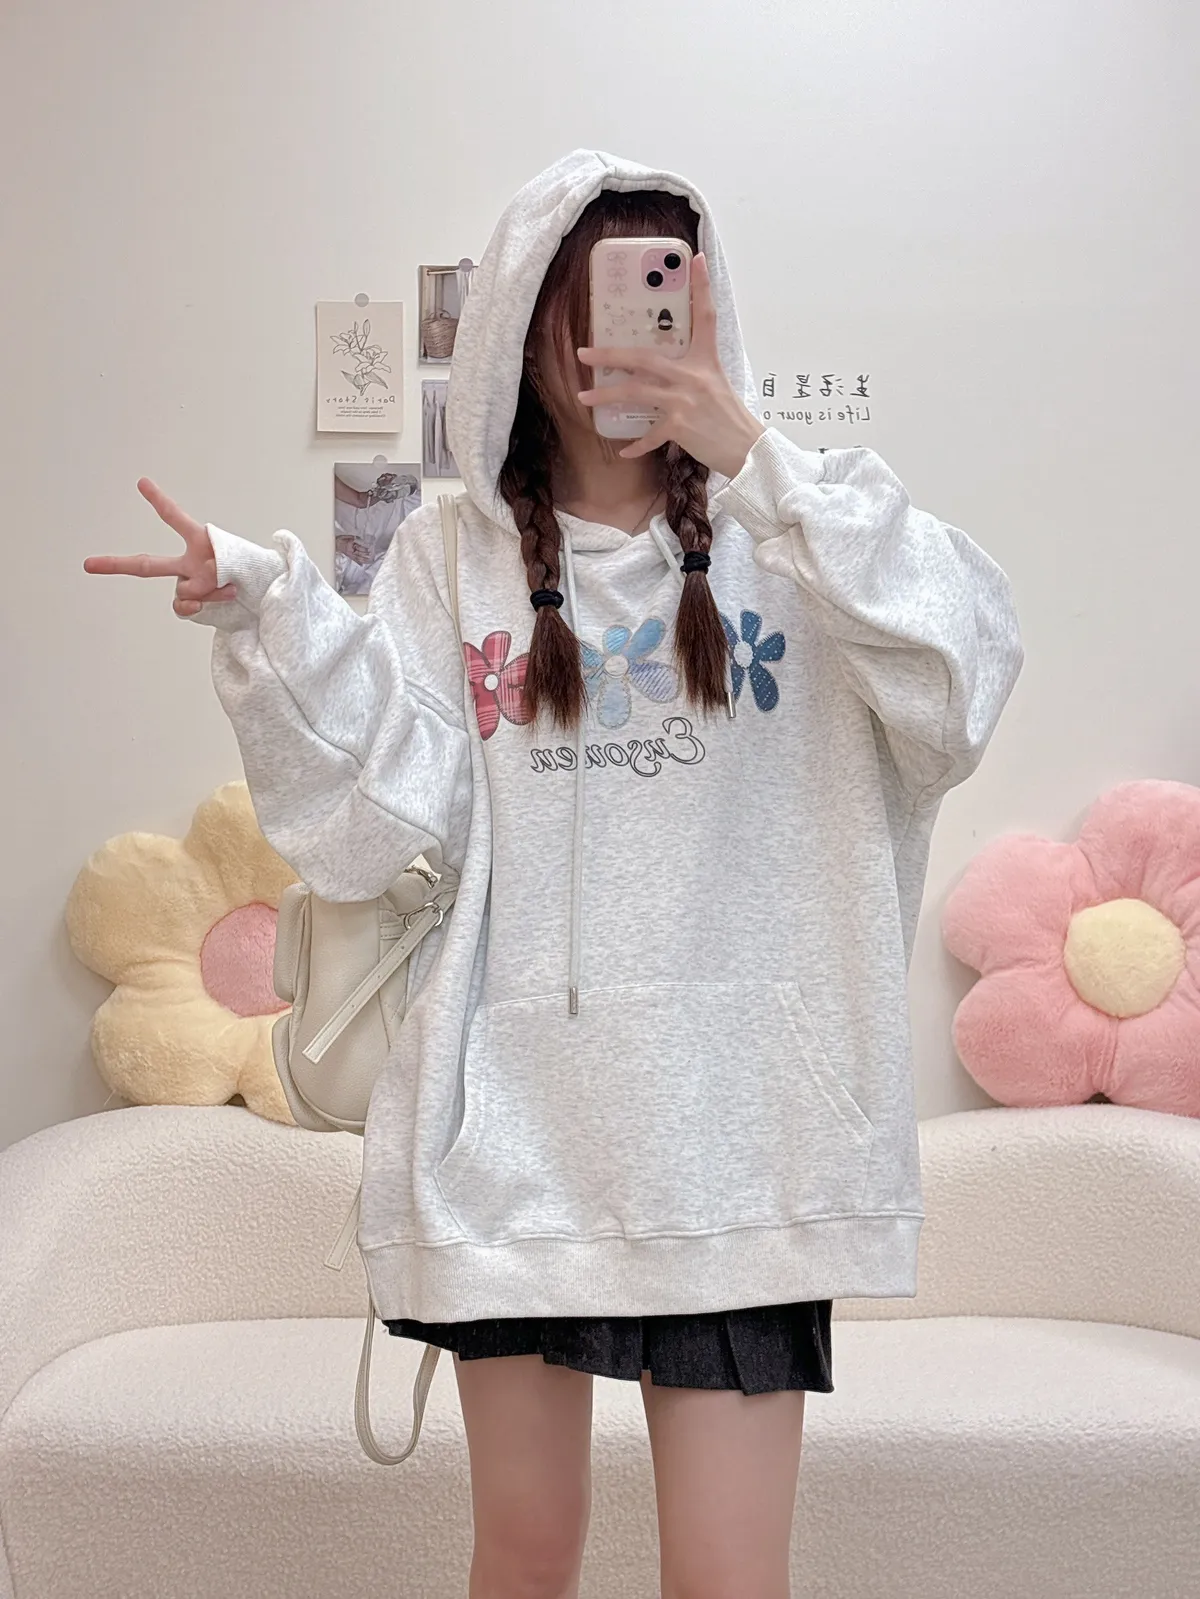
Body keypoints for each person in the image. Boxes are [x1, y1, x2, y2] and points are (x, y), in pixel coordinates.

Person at [85, 149, 1023, 1599]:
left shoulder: (807, 529)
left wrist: (751, 452)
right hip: (515, 1135)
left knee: (728, 1576)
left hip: (742, 1137)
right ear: (527, 329)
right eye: (592, 305)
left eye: (665, 301)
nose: (624, 341)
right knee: (522, 1558)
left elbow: (958, 688)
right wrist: (274, 618)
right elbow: (375, 820)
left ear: (710, 317)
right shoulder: (447, 557)